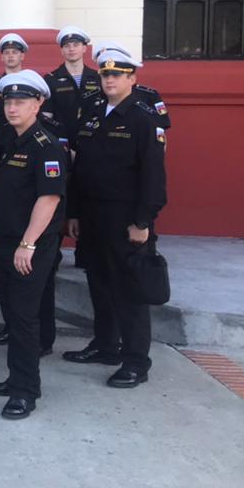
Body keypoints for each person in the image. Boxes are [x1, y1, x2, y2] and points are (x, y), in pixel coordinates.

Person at [65, 50, 167, 387]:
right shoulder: (94, 113)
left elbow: (153, 176)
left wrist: (143, 221)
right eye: (105, 74)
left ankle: (136, 361)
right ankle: (105, 345)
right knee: (99, 283)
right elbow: (81, 168)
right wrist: (74, 212)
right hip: (92, 215)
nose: (109, 80)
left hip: (126, 219)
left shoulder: (143, 118)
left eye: (117, 75)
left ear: (132, 79)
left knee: (129, 291)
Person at [0, 70, 66, 419]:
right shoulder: (12, 140)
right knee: (13, 315)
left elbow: (49, 199)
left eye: (21, 102)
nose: (12, 107)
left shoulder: (47, 146)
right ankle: (18, 378)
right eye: (9, 102)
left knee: (24, 318)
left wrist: (27, 244)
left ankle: (25, 392)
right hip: (6, 240)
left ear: (38, 104)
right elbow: (5, 197)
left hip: (31, 246)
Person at [44, 26, 100, 138]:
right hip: (62, 140)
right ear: (62, 51)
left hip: (92, 139)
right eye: (67, 46)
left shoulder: (97, 78)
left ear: (84, 48)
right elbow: (46, 116)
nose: (71, 49)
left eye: (76, 45)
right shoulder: (50, 79)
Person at [0, 33, 29, 125]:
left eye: (14, 52)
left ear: (22, 56)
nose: (10, 56)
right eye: (6, 53)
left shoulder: (30, 83)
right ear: (2, 57)